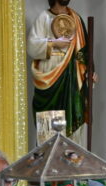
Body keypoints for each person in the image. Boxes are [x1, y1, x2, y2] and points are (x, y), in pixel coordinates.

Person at [27, 0, 89, 145]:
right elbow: (31, 46)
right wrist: (53, 43)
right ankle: (50, 161)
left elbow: (84, 52)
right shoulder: (44, 17)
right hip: (50, 76)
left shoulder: (76, 19)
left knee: (72, 124)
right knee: (50, 128)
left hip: (71, 78)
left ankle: (71, 163)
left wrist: (89, 71)